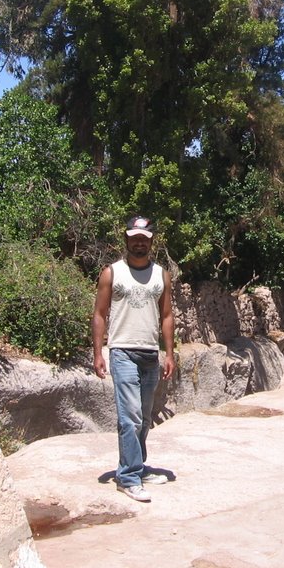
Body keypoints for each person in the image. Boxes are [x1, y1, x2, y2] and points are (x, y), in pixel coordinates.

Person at [92, 215, 176, 503]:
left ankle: (137, 468)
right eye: (134, 237)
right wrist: (98, 352)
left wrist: (169, 353)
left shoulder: (161, 275)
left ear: (151, 241)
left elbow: (166, 315)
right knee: (130, 418)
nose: (139, 242)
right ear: (127, 240)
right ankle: (127, 477)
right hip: (122, 352)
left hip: (150, 354)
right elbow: (100, 314)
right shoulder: (111, 273)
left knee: (143, 419)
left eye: (144, 238)